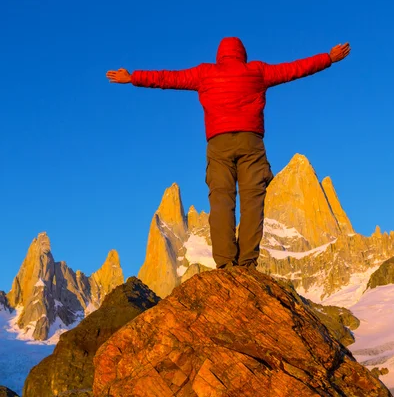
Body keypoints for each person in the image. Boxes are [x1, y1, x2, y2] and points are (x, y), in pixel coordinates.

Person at [107, 37, 350, 269]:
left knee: (221, 200)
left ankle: (225, 263)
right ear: (242, 55)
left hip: (218, 143)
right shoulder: (258, 71)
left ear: (219, 56)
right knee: (252, 200)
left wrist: (133, 77)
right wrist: (328, 57)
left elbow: (169, 78)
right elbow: (295, 69)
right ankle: (247, 263)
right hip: (251, 142)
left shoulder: (205, 73)